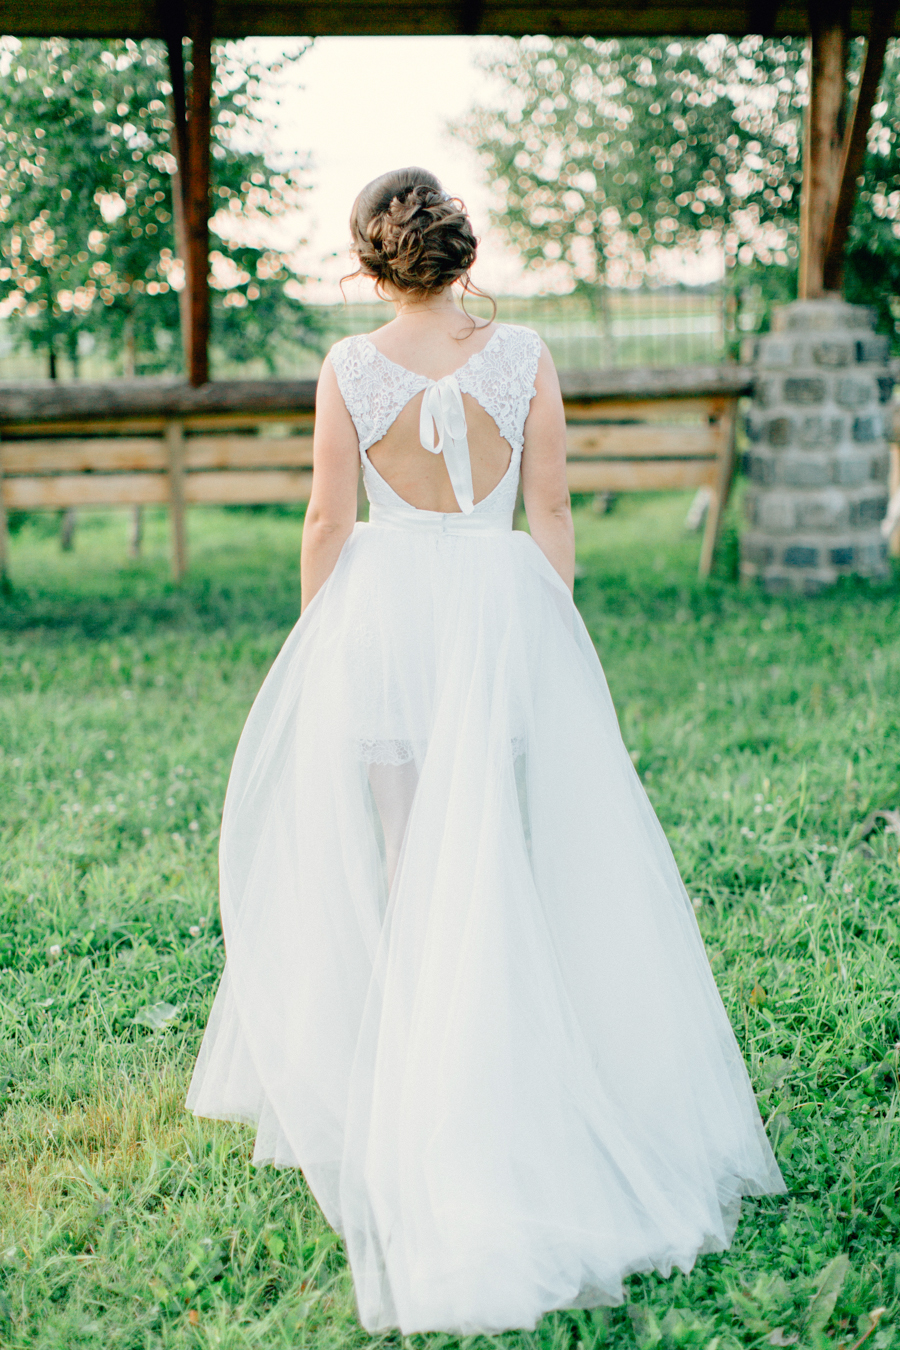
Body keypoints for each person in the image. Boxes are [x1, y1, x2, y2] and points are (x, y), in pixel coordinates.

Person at [187, 167, 784, 1335]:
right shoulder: (526, 357)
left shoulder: (351, 368)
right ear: (463, 254)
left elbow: (326, 518)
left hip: (389, 611)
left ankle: (421, 1074)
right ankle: (498, 1064)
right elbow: (551, 511)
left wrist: (325, 641)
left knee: (408, 855)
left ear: (369, 263)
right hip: (497, 611)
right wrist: (544, 629)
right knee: (495, 846)